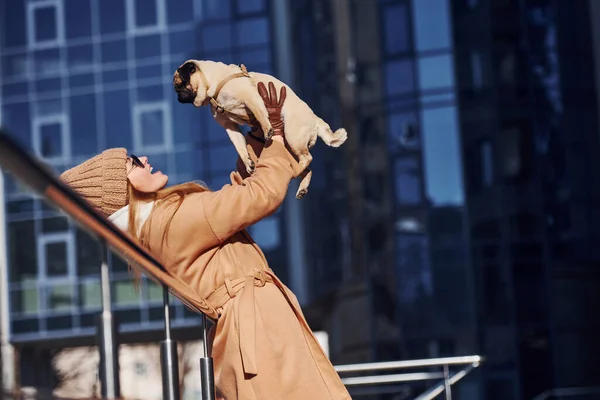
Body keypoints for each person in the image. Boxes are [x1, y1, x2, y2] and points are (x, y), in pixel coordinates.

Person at [60, 81, 352, 400]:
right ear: (121, 189)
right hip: (258, 331)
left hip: (254, 328)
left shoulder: (158, 225)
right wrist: (277, 138)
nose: (143, 157)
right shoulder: (166, 223)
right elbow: (259, 196)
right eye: (132, 161)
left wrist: (259, 138)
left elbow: (233, 204)